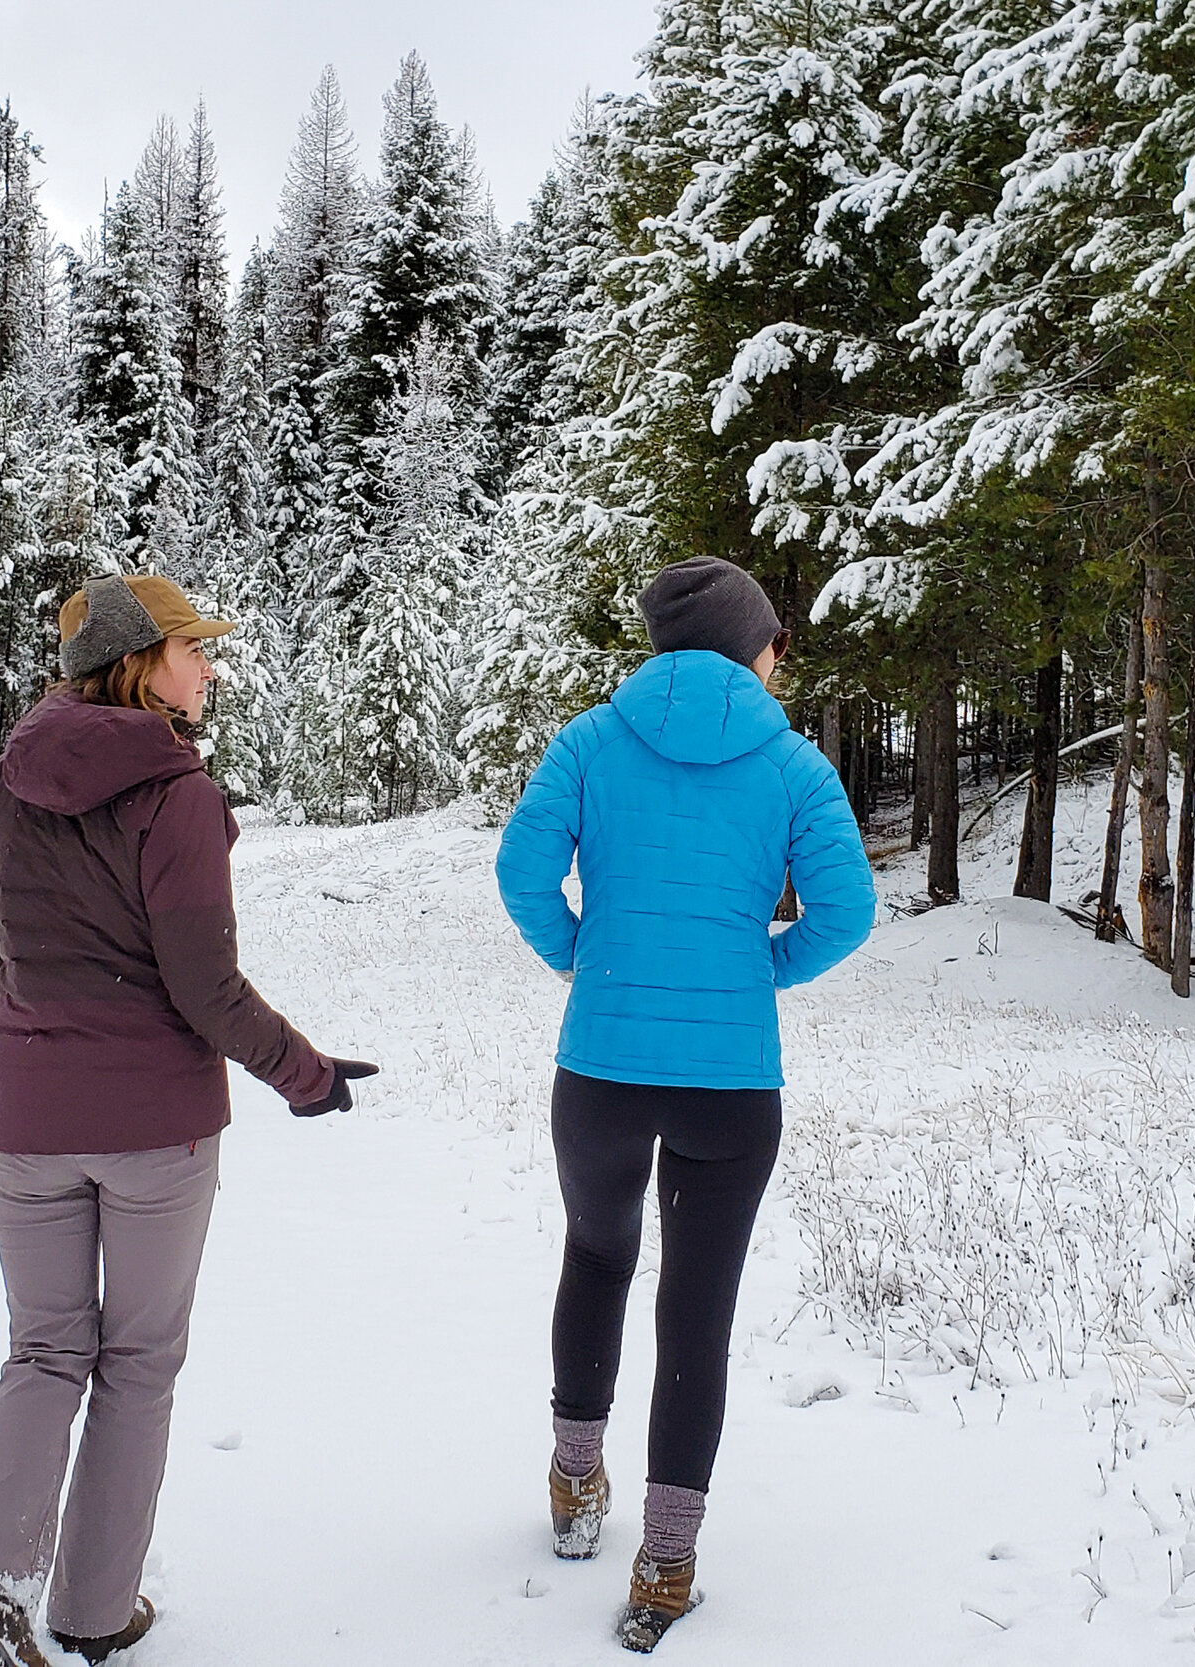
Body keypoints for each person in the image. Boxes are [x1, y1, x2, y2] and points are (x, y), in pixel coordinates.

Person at [0, 573, 377, 1667]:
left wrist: (37, 1064)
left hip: (25, 1127)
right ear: (139, 661)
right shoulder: (176, 792)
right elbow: (202, 984)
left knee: (43, 1350)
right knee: (134, 1362)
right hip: (155, 1136)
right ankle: (92, 1611)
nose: (210, 667)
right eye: (194, 647)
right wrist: (306, 1073)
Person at [495, 555, 876, 1652]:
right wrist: (762, 970)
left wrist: (581, 951)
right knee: (696, 1311)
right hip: (730, 1084)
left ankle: (575, 1486)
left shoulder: (589, 739)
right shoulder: (792, 762)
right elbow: (847, 910)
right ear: (750, 645)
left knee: (596, 1255)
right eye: (774, 643)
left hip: (602, 1065)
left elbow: (522, 870)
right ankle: (666, 1558)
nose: (778, 662)